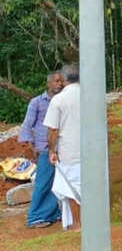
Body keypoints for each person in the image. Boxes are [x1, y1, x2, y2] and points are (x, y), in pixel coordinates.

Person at [17, 71, 63, 228]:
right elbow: (27, 125)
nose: (59, 84)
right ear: (48, 84)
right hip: (44, 149)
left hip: (61, 148)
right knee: (43, 183)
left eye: (61, 81)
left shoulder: (61, 101)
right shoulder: (36, 102)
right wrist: (31, 146)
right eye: (56, 81)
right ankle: (34, 217)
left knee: (55, 183)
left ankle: (51, 213)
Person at [43, 64, 81, 230]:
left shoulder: (58, 100)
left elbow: (53, 129)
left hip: (70, 150)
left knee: (72, 188)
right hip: (94, 151)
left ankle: (77, 223)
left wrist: (51, 150)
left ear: (64, 80)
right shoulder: (92, 94)